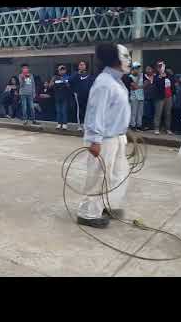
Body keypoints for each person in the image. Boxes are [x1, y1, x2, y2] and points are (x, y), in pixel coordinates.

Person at [77, 43, 131, 228]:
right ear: (114, 59)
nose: (129, 60)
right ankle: (87, 213)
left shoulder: (117, 80)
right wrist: (94, 139)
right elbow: (95, 113)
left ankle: (105, 206)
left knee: (115, 175)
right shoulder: (104, 82)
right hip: (104, 139)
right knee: (98, 176)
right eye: (125, 56)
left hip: (116, 136)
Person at [69, 60, 94, 131]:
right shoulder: (75, 75)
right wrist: (77, 74)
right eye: (80, 65)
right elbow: (70, 81)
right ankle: (79, 126)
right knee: (79, 110)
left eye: (83, 65)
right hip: (78, 96)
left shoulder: (89, 75)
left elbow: (92, 84)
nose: (81, 66)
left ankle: (87, 125)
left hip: (88, 96)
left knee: (87, 111)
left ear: (86, 66)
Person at [151, 59, 174, 135]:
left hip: (169, 97)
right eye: (159, 66)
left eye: (161, 65)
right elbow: (156, 84)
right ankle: (156, 128)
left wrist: (166, 75)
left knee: (168, 113)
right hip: (160, 97)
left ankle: (168, 129)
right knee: (158, 113)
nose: (160, 67)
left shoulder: (169, 74)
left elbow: (172, 83)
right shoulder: (155, 76)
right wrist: (161, 76)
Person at [124, 62, 144, 131]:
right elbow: (134, 86)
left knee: (140, 112)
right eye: (136, 68)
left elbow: (146, 84)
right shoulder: (130, 77)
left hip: (141, 96)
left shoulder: (143, 76)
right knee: (134, 112)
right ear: (133, 69)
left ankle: (139, 125)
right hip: (133, 96)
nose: (138, 70)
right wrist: (138, 78)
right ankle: (133, 125)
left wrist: (140, 87)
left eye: (139, 68)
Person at [51, 65, 71, 130]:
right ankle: (59, 124)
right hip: (57, 97)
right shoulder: (55, 77)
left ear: (65, 70)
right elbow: (50, 86)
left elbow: (69, 86)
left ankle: (65, 124)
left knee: (64, 111)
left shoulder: (68, 77)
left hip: (65, 97)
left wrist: (64, 81)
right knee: (58, 111)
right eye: (60, 70)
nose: (62, 71)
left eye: (63, 70)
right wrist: (52, 80)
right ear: (58, 71)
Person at [142, 65, 156, 131]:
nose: (147, 70)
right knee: (146, 112)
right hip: (145, 97)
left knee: (153, 112)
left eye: (149, 69)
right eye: (146, 69)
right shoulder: (142, 77)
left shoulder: (156, 76)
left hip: (154, 97)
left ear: (152, 69)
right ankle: (145, 126)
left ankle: (151, 126)